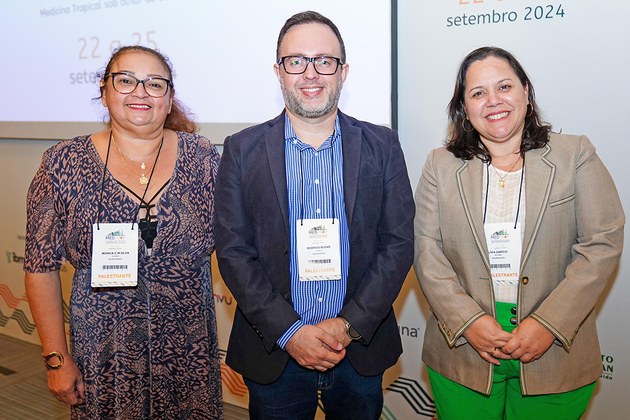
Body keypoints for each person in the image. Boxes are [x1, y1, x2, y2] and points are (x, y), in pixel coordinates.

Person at [215, 10, 415, 419]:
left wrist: (346, 325)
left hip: (359, 347)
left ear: (343, 72)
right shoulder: (241, 149)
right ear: (279, 71)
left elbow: (398, 244)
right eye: (296, 61)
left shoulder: (382, 145)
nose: (311, 74)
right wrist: (291, 333)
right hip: (276, 351)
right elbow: (234, 251)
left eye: (324, 61)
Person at [414, 46, 624, 419]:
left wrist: (548, 324)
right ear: (464, 107)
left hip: (556, 352)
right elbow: (426, 250)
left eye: (505, 87)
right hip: (464, 348)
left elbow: (602, 242)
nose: (493, 101)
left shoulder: (574, 154)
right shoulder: (439, 165)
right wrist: (469, 322)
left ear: (526, 92)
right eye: (478, 93)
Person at [23, 45, 222, 418]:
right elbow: (40, 267)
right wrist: (56, 358)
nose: (141, 93)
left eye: (154, 83)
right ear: (104, 90)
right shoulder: (62, 162)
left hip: (187, 354)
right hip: (103, 356)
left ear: (170, 96)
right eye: (126, 80)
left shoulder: (204, 158)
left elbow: (239, 245)